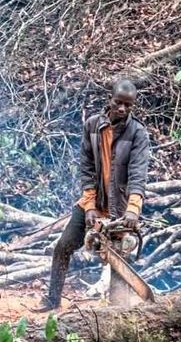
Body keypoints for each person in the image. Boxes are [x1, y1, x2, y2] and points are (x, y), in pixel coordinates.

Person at [34, 79, 151, 312]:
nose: (122, 109)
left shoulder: (138, 133)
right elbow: (86, 168)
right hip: (94, 201)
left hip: (120, 208)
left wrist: (133, 208)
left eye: (128, 106)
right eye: (118, 103)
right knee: (64, 246)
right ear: (110, 99)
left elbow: (138, 175)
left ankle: (118, 312)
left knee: (118, 263)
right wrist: (89, 206)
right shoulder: (92, 126)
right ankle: (52, 299)